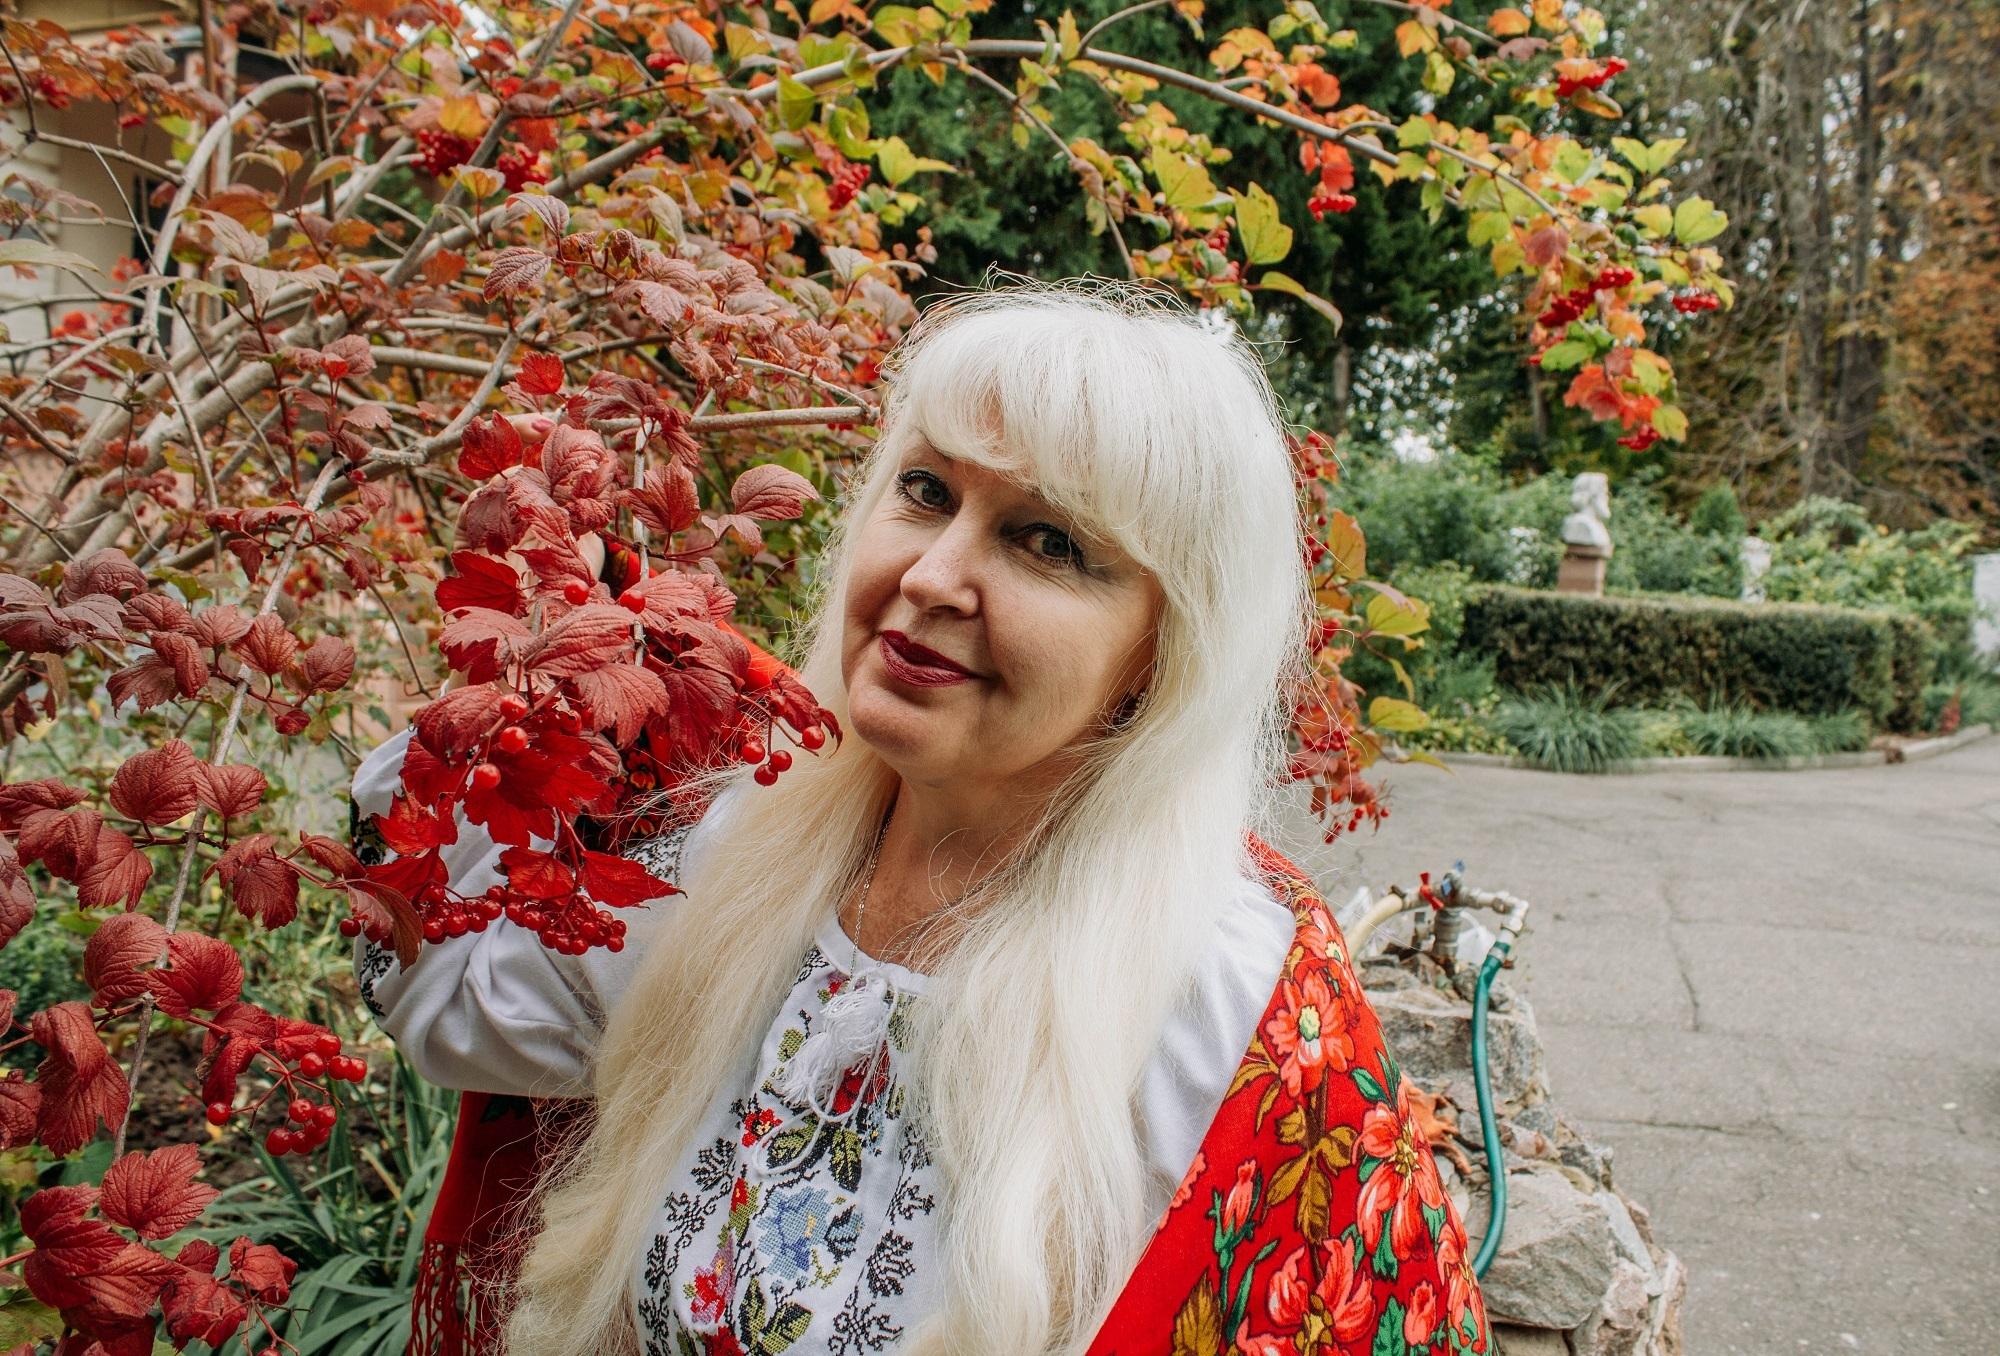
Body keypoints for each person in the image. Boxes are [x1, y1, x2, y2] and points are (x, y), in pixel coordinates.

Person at [351, 279, 1489, 1355]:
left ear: (1164, 648)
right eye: (928, 492)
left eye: (1048, 541)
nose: (934, 575)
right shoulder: (744, 848)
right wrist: (520, 691)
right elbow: (456, 1003)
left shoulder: (1230, 1012)